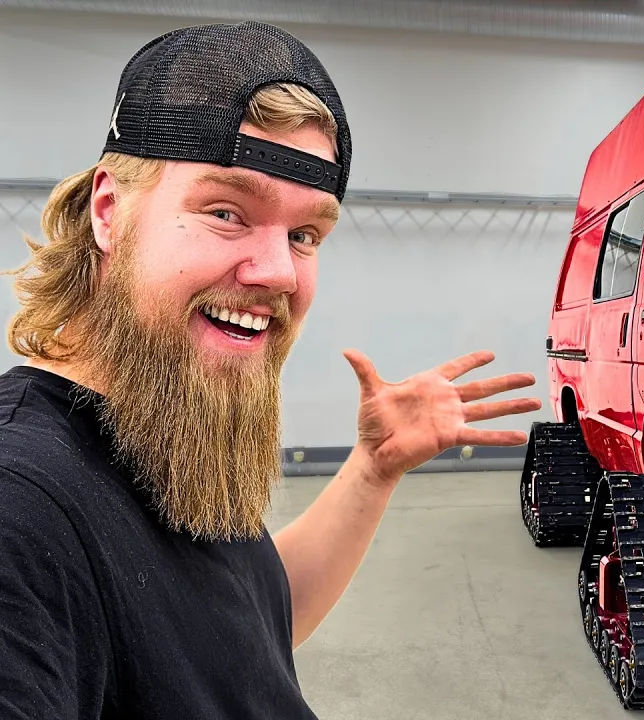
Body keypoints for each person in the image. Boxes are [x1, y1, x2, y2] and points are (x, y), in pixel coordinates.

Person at [0, 20, 540, 719]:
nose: (280, 272)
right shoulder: (22, 505)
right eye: (226, 212)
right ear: (109, 213)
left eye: (304, 234)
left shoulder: (160, 419)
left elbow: (243, 632)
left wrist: (372, 468)